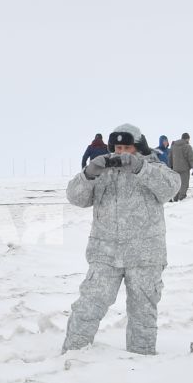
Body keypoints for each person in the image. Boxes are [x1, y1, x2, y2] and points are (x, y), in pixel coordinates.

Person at [62, 125, 177, 356]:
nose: (121, 152)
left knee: (143, 312)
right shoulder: (103, 171)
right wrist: (89, 174)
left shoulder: (154, 167)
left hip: (145, 255)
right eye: (117, 147)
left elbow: (170, 189)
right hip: (105, 253)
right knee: (88, 306)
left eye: (127, 148)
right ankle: (72, 357)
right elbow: (76, 198)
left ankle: (141, 362)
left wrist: (140, 169)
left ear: (139, 148)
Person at [169, 133, 193, 200]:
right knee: (184, 184)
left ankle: (175, 198)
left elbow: (170, 156)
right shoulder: (187, 146)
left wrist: (171, 166)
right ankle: (181, 198)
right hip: (184, 169)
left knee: (177, 184)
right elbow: (191, 158)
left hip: (175, 168)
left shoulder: (173, 145)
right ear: (187, 138)